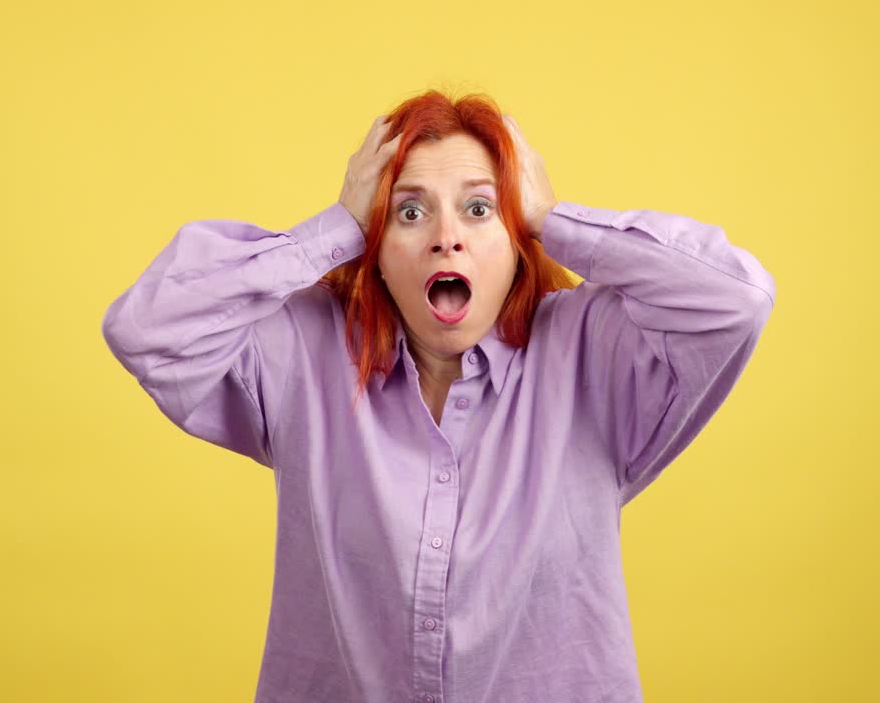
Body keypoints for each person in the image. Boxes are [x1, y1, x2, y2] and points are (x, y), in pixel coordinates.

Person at [101, 90, 776, 703]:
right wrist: (333, 228)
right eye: (410, 211)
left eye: (480, 209)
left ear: (517, 244)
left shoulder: (594, 353)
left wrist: (551, 218)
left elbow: (736, 299)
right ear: (376, 246)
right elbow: (145, 327)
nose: (445, 235)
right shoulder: (304, 353)